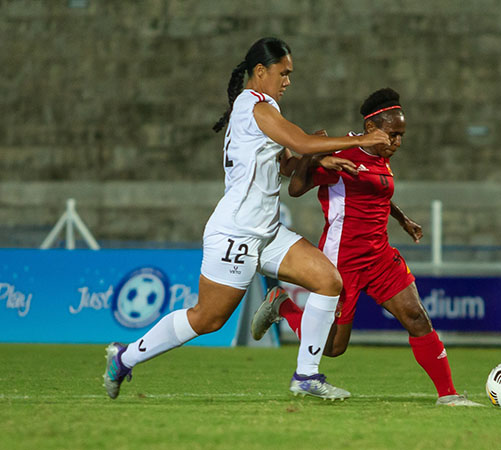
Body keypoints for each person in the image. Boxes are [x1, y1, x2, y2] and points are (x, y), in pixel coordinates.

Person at [103, 37, 390, 401]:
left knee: (328, 281)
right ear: (260, 71)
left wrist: (319, 160)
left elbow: (287, 162)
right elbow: (300, 143)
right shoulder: (253, 105)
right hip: (236, 231)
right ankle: (123, 357)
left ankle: (306, 375)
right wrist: (358, 140)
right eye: (283, 73)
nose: (288, 80)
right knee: (207, 319)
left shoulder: (264, 109)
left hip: (266, 231)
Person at [251, 88, 482, 406]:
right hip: (343, 259)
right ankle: (282, 305)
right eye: (393, 134)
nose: (397, 142)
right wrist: (313, 157)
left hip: (380, 257)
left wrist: (402, 218)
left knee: (417, 317)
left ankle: (449, 394)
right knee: (333, 348)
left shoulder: (381, 159)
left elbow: (376, 191)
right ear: (372, 129)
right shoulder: (343, 152)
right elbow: (296, 188)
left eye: (401, 135)